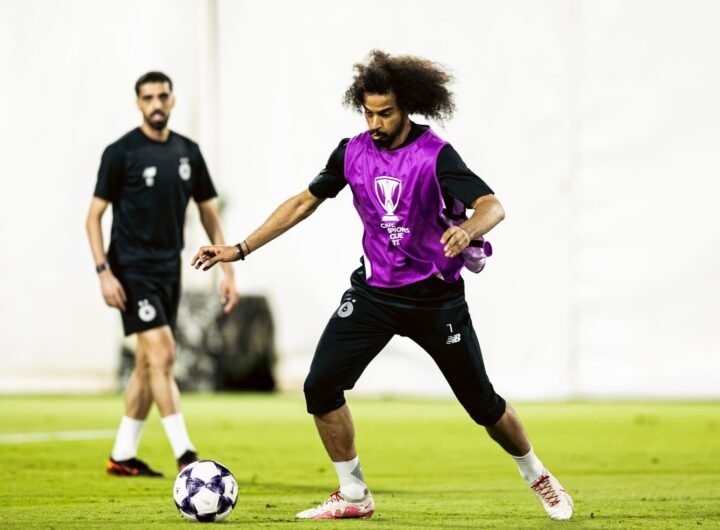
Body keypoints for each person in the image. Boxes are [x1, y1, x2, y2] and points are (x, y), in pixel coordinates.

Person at [191, 51, 573, 520]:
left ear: (407, 106)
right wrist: (240, 248)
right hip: (374, 295)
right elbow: (303, 202)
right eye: (368, 113)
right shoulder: (351, 152)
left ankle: (538, 475)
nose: (375, 123)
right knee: (320, 386)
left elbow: (492, 205)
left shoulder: (436, 155)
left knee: (483, 406)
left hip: (435, 299)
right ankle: (354, 495)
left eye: (385, 113)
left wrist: (468, 229)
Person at [86, 71, 238, 477]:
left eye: (163, 96)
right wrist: (104, 272)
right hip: (130, 270)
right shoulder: (121, 152)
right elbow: (93, 217)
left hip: (169, 270)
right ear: (138, 102)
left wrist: (227, 270)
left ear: (172, 100)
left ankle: (122, 456)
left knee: (147, 363)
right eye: (148, 97)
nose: (156, 103)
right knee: (164, 353)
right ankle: (186, 455)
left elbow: (208, 212)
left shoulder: (188, 152)